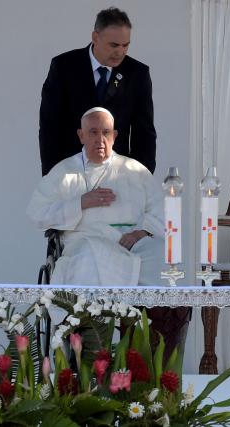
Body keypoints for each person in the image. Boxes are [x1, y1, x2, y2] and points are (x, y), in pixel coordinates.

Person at [29, 107, 163, 286]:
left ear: (114, 136)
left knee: (162, 256)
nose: (100, 140)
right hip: (84, 243)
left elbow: (162, 212)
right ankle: (97, 314)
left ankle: (148, 314)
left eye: (106, 133)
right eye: (93, 132)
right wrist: (80, 203)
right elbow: (36, 213)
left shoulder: (136, 170)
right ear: (81, 135)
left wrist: (142, 232)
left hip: (129, 244)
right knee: (91, 257)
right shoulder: (64, 172)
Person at [39, 7, 156, 176]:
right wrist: (53, 176)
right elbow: (49, 126)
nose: (120, 52)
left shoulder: (137, 73)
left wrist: (141, 179)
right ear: (95, 37)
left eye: (126, 45)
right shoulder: (64, 67)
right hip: (71, 173)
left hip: (118, 176)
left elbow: (144, 134)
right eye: (114, 45)